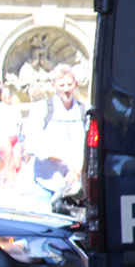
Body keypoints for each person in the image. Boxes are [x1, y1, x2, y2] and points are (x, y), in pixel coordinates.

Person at [22, 65, 87, 212]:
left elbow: (88, 146)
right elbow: (32, 145)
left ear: (76, 85)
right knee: (45, 229)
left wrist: (77, 170)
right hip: (47, 184)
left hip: (75, 185)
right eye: (61, 85)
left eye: (69, 84)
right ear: (53, 86)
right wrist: (63, 158)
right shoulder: (42, 109)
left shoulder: (83, 111)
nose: (66, 89)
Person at [0, 85, 23, 190]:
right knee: (8, 160)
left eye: (9, 94)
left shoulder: (14, 107)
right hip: (3, 138)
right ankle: (10, 183)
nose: (7, 96)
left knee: (17, 161)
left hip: (15, 138)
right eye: (5, 94)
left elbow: (20, 122)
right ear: (0, 96)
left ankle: (2, 176)